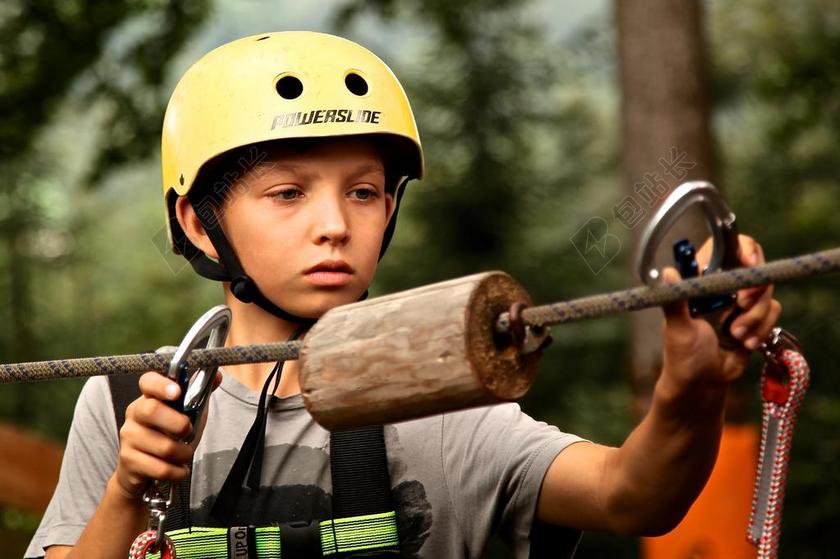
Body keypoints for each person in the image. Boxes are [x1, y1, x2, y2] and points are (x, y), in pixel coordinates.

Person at [26, 31, 781, 559]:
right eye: (288, 193)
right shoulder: (133, 400)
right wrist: (130, 487)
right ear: (197, 220)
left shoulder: (441, 395)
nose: (334, 225)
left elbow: (632, 495)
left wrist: (690, 384)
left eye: (364, 190)